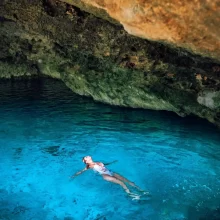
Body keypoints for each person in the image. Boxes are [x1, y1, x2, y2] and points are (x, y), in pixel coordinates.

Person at [70, 156, 148, 199]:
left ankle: (141, 190)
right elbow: (81, 171)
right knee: (121, 183)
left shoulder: (97, 162)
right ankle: (130, 195)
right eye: (85, 158)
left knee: (128, 181)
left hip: (110, 172)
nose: (86, 156)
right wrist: (74, 176)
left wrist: (112, 162)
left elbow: (105, 164)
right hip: (105, 175)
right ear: (86, 161)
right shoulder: (89, 165)